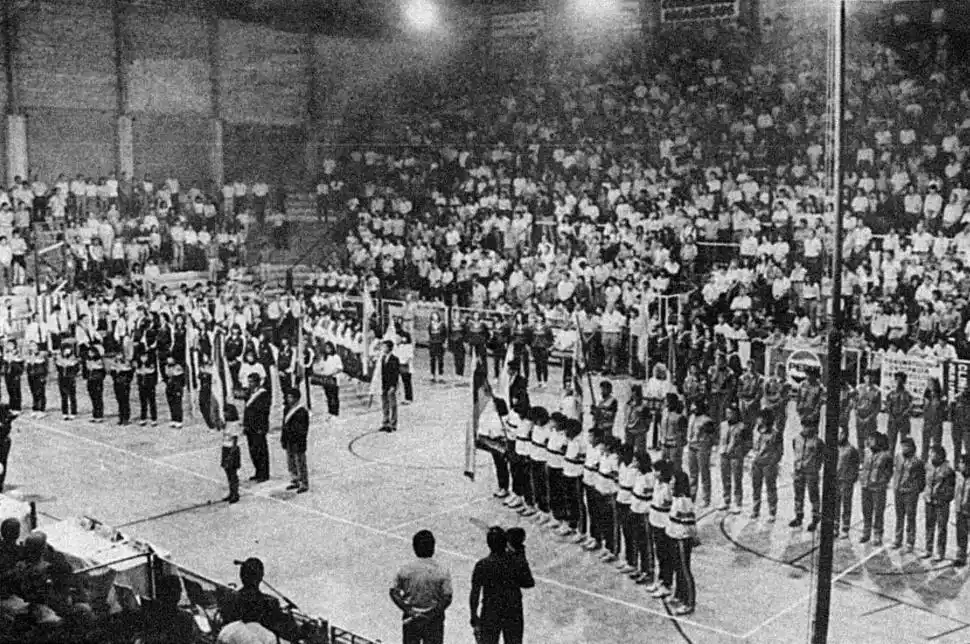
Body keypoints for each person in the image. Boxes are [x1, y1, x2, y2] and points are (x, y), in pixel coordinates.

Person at [469, 527, 534, 644]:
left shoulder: (482, 565)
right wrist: (521, 556)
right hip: (513, 610)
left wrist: (473, 615)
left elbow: (475, 593)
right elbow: (529, 583)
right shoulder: (516, 561)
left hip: (490, 612)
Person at [390, 530, 453, 644]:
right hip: (434, 621)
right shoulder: (442, 570)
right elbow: (447, 598)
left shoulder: (405, 569)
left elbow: (394, 592)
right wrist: (430, 615)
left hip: (411, 619)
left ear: (414, 548)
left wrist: (409, 610)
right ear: (433, 547)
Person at [666, 470, 697, 615]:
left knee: (685, 570)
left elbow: (690, 524)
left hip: (682, 539)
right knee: (678, 568)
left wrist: (691, 538)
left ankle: (689, 602)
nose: (671, 482)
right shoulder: (676, 499)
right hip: (674, 536)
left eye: (673, 480)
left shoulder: (684, 501)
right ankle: (679, 595)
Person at [646, 459, 674, 599]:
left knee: (665, 555)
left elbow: (667, 504)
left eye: (656, 470)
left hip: (663, 524)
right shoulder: (657, 484)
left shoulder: (668, 488)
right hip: (655, 520)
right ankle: (661, 580)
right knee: (659, 554)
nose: (654, 473)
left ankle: (666, 584)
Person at [790, 419, 825, 530]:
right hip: (799, 470)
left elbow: (822, 457)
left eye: (810, 427)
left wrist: (816, 467)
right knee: (798, 495)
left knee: (813, 495)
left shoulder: (818, 442)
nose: (807, 429)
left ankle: (815, 518)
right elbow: (795, 451)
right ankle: (798, 516)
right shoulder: (796, 439)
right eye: (805, 426)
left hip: (811, 472)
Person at [923, 445, 955, 562]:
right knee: (929, 526)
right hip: (929, 501)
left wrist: (943, 499)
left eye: (933, 454)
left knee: (941, 528)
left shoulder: (948, 471)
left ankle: (940, 552)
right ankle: (928, 549)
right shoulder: (928, 466)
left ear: (940, 456)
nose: (930, 456)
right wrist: (925, 494)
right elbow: (924, 481)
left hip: (941, 504)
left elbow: (951, 491)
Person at [892, 437, 925, 552]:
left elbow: (921, 480)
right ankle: (898, 539)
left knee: (910, 517)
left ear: (912, 448)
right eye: (902, 446)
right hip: (898, 490)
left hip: (910, 493)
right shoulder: (898, 457)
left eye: (906, 446)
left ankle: (910, 542)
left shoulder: (917, 461)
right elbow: (896, 471)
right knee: (899, 516)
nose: (903, 449)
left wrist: (915, 491)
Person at [860, 432, 894, 546]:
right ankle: (866, 532)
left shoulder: (886, 455)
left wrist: (882, 481)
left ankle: (877, 534)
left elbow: (889, 472)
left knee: (878, 512)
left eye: (872, 439)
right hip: (866, 486)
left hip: (878, 488)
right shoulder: (867, 452)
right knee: (866, 511)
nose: (869, 441)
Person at [750, 407, 782, 522]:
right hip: (756, 463)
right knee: (756, 487)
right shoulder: (755, 430)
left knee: (770, 488)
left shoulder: (775, 434)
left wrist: (772, 463)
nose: (758, 420)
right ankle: (755, 509)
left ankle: (772, 512)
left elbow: (779, 452)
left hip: (768, 464)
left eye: (760, 418)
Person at [717, 404, 747, 514]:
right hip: (724, 454)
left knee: (737, 479)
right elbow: (720, 438)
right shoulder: (723, 425)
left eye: (730, 413)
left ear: (736, 414)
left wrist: (741, 453)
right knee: (725, 478)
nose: (728, 415)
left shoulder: (742, 427)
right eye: (726, 413)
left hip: (736, 456)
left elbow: (747, 443)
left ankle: (738, 503)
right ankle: (726, 500)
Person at [686, 400, 716, 508]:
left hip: (702, 447)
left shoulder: (707, 420)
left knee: (704, 473)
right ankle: (692, 495)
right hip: (691, 446)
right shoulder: (691, 417)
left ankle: (706, 498)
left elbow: (712, 436)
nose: (693, 409)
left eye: (695, 407)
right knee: (693, 473)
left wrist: (706, 447)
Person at [243, 372, 271, 482]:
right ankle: (258, 471)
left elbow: (263, 412)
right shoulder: (249, 393)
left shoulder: (263, 394)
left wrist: (262, 427)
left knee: (261, 450)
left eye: (251, 382)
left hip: (258, 426)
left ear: (257, 382)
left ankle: (264, 473)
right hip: (250, 426)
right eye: (248, 382)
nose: (249, 384)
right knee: (253, 450)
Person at [282, 389, 310, 493]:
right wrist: (283, 438)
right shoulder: (287, 409)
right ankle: (295, 480)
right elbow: (283, 425)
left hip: (298, 441)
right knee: (291, 462)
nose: (288, 399)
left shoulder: (302, 411)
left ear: (296, 398)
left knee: (300, 462)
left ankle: (304, 482)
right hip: (289, 440)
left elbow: (303, 429)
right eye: (288, 397)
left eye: (290, 397)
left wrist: (299, 440)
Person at [835, 426, 861, 539]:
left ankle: (845, 528)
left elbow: (856, 465)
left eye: (841, 433)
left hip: (846, 481)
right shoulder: (834, 447)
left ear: (845, 435)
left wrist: (851, 478)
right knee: (835, 504)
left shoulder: (851, 450)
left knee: (846, 504)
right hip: (835, 480)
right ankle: (835, 526)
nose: (838, 436)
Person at [853, 371, 882, 449]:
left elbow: (878, 407)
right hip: (860, 418)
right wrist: (857, 416)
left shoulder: (877, 390)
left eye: (870, 377)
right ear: (864, 378)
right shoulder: (859, 388)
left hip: (870, 419)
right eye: (866, 377)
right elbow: (854, 404)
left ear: (873, 378)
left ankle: (869, 458)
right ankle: (861, 458)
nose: (868, 379)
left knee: (870, 439)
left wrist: (870, 417)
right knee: (860, 439)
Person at [886, 371, 913, 453]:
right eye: (897, 380)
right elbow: (888, 407)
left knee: (905, 444)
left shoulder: (908, 395)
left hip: (903, 421)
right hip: (892, 421)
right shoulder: (890, 394)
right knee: (890, 443)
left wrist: (902, 415)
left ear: (904, 382)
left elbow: (910, 407)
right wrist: (892, 416)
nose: (899, 382)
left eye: (901, 380)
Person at [378, 340, 401, 433]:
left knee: (392, 404)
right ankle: (385, 422)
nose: (383, 348)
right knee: (385, 404)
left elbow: (395, 374)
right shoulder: (383, 358)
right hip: (384, 384)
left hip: (391, 384)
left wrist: (393, 386)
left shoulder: (394, 359)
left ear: (389, 348)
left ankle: (393, 423)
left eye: (384, 347)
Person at [921, 379, 946, 463]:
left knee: (936, 444)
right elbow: (924, 409)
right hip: (927, 422)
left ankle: (936, 461)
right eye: (928, 384)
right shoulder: (926, 395)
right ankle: (924, 460)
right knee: (925, 444)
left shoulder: (940, 396)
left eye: (931, 384)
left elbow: (943, 410)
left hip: (937, 423)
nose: (929, 385)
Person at [222, 404, 242, 504]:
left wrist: (231, 455)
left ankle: (235, 493)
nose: (225, 414)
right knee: (228, 472)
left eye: (227, 412)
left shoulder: (234, 424)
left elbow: (235, 441)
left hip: (231, 449)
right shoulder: (227, 423)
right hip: (225, 448)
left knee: (232, 473)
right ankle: (231, 492)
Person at [318, 342, 343, 418]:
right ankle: (330, 412)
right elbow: (321, 367)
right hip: (326, 379)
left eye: (329, 348)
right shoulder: (324, 358)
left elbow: (340, 368)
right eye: (326, 348)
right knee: (328, 396)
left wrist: (331, 373)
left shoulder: (336, 357)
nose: (327, 350)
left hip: (333, 378)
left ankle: (335, 412)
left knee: (334, 396)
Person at [954, 455, 970, 567]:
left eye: (961, 463)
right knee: (961, 535)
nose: (959, 465)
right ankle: (961, 556)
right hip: (960, 510)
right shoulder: (958, 477)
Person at [55, 345, 79, 421]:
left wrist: (72, 374)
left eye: (68, 350)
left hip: (70, 379)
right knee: (63, 397)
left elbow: (76, 370)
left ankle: (73, 412)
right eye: (65, 350)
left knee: (72, 396)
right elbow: (58, 368)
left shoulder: (74, 360)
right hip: (62, 379)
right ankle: (64, 412)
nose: (67, 352)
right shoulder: (59, 359)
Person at [136, 352, 158, 427]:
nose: (143, 358)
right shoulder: (139, 364)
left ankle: (154, 419)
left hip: (150, 386)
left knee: (152, 402)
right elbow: (137, 372)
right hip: (142, 386)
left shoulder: (151, 364)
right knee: (143, 402)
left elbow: (152, 371)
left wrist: (144, 371)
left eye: (145, 356)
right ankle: (143, 418)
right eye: (142, 357)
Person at [84, 345, 106, 423]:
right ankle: (95, 414)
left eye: (91, 352)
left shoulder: (99, 361)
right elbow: (86, 371)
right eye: (89, 352)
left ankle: (99, 415)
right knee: (93, 397)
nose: (90, 354)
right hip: (90, 381)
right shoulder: (88, 360)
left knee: (98, 398)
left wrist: (99, 378)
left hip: (97, 381)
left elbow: (103, 372)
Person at [163, 355, 186, 428]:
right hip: (169, 387)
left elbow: (180, 379)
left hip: (177, 388)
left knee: (177, 404)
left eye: (171, 358)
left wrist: (179, 388)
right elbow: (166, 377)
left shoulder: (178, 367)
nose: (169, 360)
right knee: (171, 404)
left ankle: (179, 420)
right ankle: (173, 419)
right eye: (168, 358)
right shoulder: (166, 367)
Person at [112, 353, 134, 426]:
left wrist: (126, 382)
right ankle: (121, 418)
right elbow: (113, 375)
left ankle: (126, 418)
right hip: (117, 384)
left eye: (120, 356)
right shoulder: (114, 365)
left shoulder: (126, 365)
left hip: (124, 385)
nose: (118, 357)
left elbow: (130, 375)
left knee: (125, 401)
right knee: (119, 401)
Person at [0, 402, 16, 493]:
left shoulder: (3, 410)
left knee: (2, 462)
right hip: (4, 440)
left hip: (2, 441)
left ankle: (0, 483)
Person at [26, 349, 48, 418]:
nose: (33, 348)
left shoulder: (41, 356)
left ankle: (41, 410)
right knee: (34, 393)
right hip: (31, 377)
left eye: (34, 346)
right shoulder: (29, 357)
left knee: (40, 393)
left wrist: (43, 376)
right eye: (31, 346)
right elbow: (28, 368)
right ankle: (35, 409)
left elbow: (46, 367)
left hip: (39, 377)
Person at [427, 312, 447, 384]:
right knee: (432, 360)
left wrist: (444, 342)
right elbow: (429, 333)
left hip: (440, 344)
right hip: (432, 344)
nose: (435, 317)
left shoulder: (442, 324)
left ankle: (441, 375)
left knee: (440, 360)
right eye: (433, 316)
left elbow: (445, 334)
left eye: (436, 316)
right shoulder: (430, 325)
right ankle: (432, 375)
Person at [396, 331, 415, 404]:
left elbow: (409, 357)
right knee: (398, 382)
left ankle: (409, 398)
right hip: (398, 365)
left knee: (406, 382)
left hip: (405, 365)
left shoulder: (408, 346)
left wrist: (404, 362)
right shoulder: (397, 346)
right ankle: (400, 397)